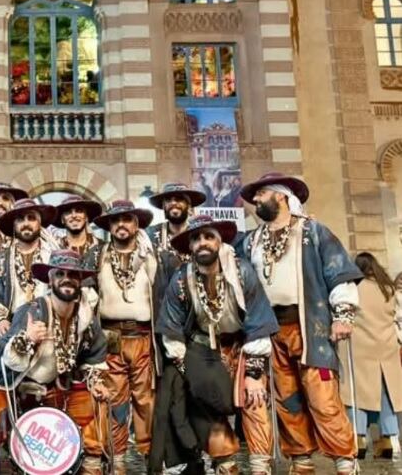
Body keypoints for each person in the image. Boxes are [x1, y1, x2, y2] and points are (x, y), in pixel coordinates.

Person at [239, 172, 362, 475]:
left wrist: (343, 315)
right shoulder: (252, 241)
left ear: (280, 196)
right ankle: (301, 461)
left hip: (311, 329)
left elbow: (338, 273)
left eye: (261, 194)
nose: (255, 200)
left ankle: (346, 463)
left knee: (323, 399)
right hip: (271, 331)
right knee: (287, 400)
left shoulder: (313, 232)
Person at [157, 214, 278, 475]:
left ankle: (260, 467)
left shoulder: (242, 271)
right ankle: (225, 464)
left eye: (209, 236)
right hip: (202, 348)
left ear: (220, 241)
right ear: (189, 246)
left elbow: (258, 320)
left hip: (242, 345)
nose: (203, 243)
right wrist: (186, 366)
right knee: (206, 405)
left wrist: (255, 373)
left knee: (254, 399)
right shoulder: (181, 278)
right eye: (197, 238)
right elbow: (171, 325)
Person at [0, 249, 111, 475]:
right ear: (50, 279)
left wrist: (96, 381)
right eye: (60, 274)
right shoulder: (33, 311)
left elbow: (94, 355)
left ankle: (91, 468)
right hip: (11, 384)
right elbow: (8, 360)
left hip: (55, 386)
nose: (67, 279)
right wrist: (27, 339)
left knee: (97, 403)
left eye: (73, 275)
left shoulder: (85, 315)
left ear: (80, 281)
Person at [88, 200, 159, 473]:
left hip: (142, 337)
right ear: (109, 226)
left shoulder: (150, 256)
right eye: (115, 221)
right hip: (111, 337)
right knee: (115, 400)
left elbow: (160, 294)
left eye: (126, 219)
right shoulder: (98, 255)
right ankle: (117, 459)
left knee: (146, 400)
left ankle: (149, 457)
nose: (121, 225)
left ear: (136, 224)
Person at [340, 252, 402, 459]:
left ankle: (358, 438)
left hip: (360, 348)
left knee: (358, 394)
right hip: (386, 347)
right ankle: (387, 438)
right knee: (387, 395)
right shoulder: (388, 289)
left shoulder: (353, 289)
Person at [0, 198, 59, 337]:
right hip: (14, 326)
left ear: (39, 224)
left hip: (51, 324)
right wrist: (0, 320)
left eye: (31, 218)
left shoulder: (55, 257)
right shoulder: (1, 259)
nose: (26, 223)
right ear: (14, 225)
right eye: (21, 219)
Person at [146, 182, 206, 282]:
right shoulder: (150, 235)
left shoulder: (200, 235)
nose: (173, 203)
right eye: (169, 200)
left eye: (179, 199)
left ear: (189, 206)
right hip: (161, 296)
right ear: (164, 206)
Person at [52, 193, 104, 262]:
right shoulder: (54, 248)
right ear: (62, 219)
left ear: (86, 217)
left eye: (79, 211)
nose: (74, 215)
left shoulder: (102, 247)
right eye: (68, 212)